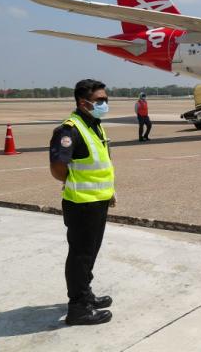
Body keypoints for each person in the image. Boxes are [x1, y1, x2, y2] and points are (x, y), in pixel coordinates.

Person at [49, 79, 115, 325]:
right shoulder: (70, 129)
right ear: (83, 102)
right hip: (81, 204)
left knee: (90, 253)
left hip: (98, 201)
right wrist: (74, 183)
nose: (104, 104)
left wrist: (108, 192)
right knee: (80, 255)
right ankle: (77, 308)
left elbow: (100, 164)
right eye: (100, 100)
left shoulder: (94, 125)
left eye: (106, 99)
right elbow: (57, 168)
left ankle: (85, 294)